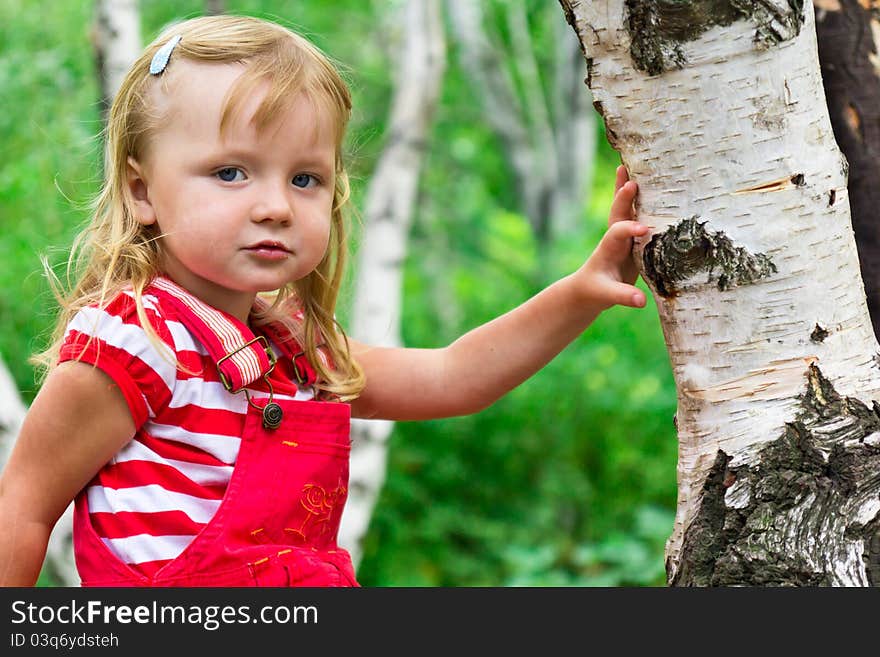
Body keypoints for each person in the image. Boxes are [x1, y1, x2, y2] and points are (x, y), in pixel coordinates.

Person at [0, 14, 647, 587]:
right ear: (142, 192)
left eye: (305, 178)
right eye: (231, 172)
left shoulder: (294, 349)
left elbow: (452, 376)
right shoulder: (132, 342)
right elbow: (23, 509)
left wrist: (582, 290)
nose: (277, 206)